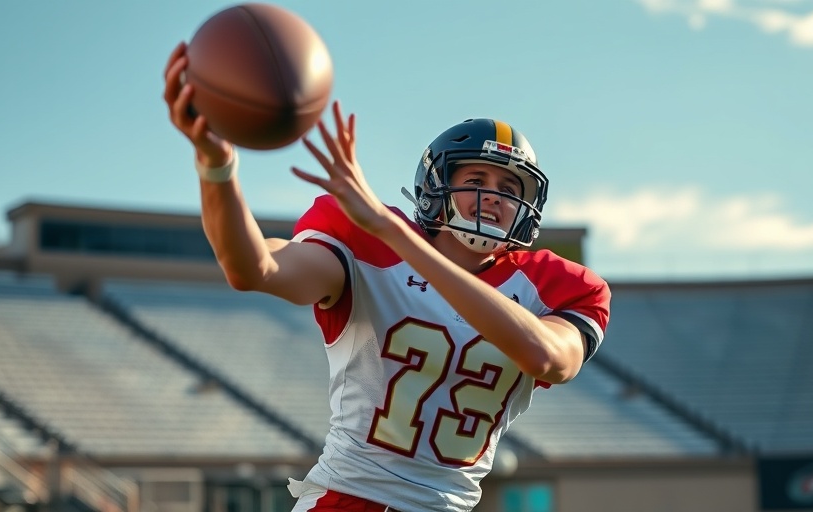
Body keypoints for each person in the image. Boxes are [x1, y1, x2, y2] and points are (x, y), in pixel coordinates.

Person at [163, 42, 610, 512]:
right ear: (437, 188)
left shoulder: (559, 286)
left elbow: (546, 357)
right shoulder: (371, 243)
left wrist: (395, 233)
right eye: (476, 181)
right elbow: (253, 268)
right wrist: (217, 165)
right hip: (348, 500)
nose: (493, 198)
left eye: (508, 188)